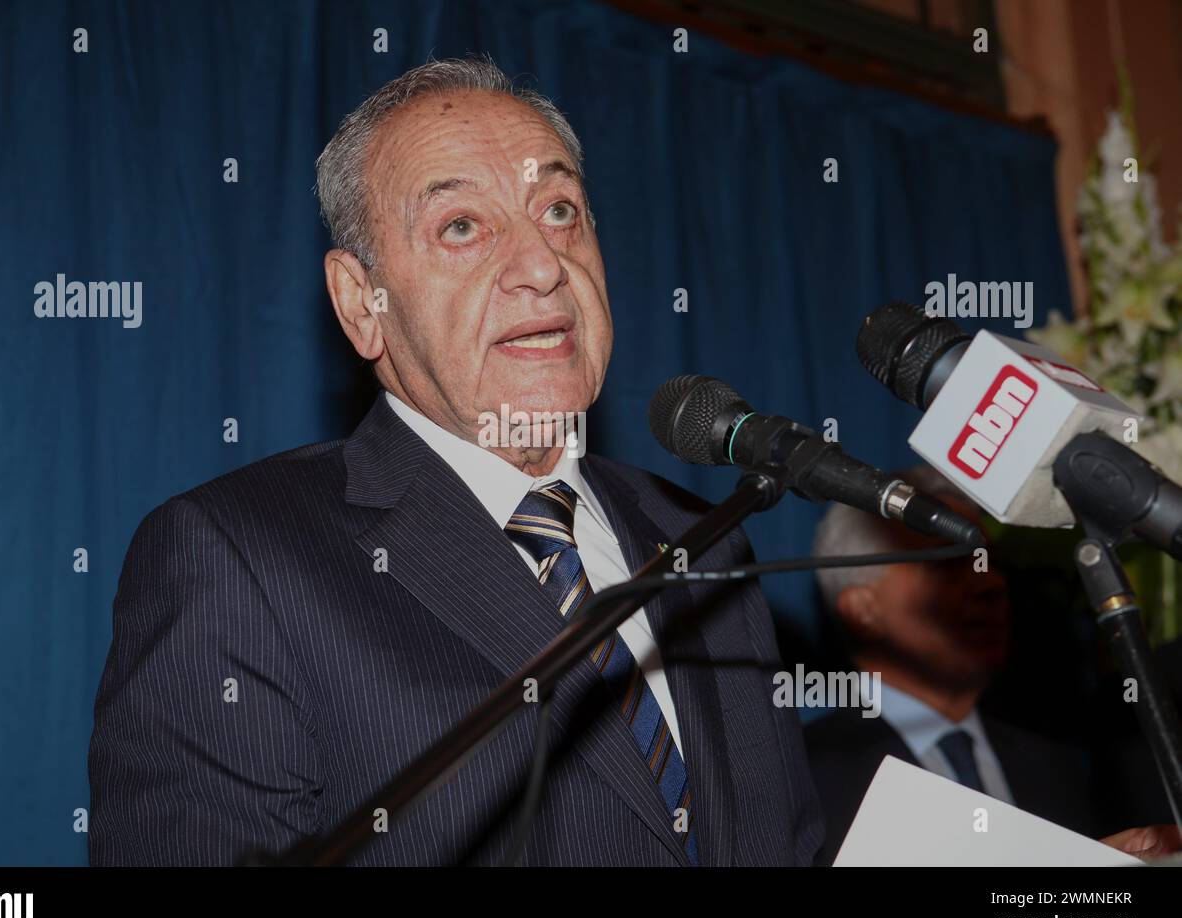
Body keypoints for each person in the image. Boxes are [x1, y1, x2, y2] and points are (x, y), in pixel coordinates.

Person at [87, 56, 823, 866]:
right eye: (462, 226)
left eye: (559, 209)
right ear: (360, 302)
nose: (544, 266)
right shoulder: (236, 557)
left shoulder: (705, 537)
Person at [804, 465, 1182, 864]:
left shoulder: (1054, 763)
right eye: (947, 562)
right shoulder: (801, 777)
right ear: (864, 610)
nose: (991, 584)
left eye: (990, 562)